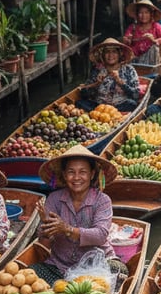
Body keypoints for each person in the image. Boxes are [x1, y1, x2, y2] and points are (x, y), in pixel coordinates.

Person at [36, 145, 124, 280]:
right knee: (33, 272)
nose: (76, 177)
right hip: (61, 266)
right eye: (71, 172)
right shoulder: (54, 199)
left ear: (92, 174)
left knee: (118, 270)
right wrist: (46, 228)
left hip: (97, 264)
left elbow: (100, 235)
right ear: (65, 175)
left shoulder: (102, 200)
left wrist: (67, 229)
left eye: (82, 172)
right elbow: (45, 243)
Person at [78, 39, 141, 112]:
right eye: (107, 52)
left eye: (114, 52)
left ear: (119, 54)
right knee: (80, 103)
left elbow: (136, 95)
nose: (110, 55)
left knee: (132, 104)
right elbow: (84, 95)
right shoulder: (97, 71)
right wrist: (96, 84)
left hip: (120, 106)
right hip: (100, 107)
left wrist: (120, 82)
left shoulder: (129, 70)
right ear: (103, 55)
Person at [121, 0, 161, 65]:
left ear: (151, 14)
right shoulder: (132, 27)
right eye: (140, 13)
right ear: (137, 14)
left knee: (154, 48)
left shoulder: (156, 26)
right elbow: (126, 41)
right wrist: (127, 40)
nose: (143, 15)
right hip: (135, 61)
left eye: (146, 12)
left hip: (152, 62)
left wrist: (154, 40)